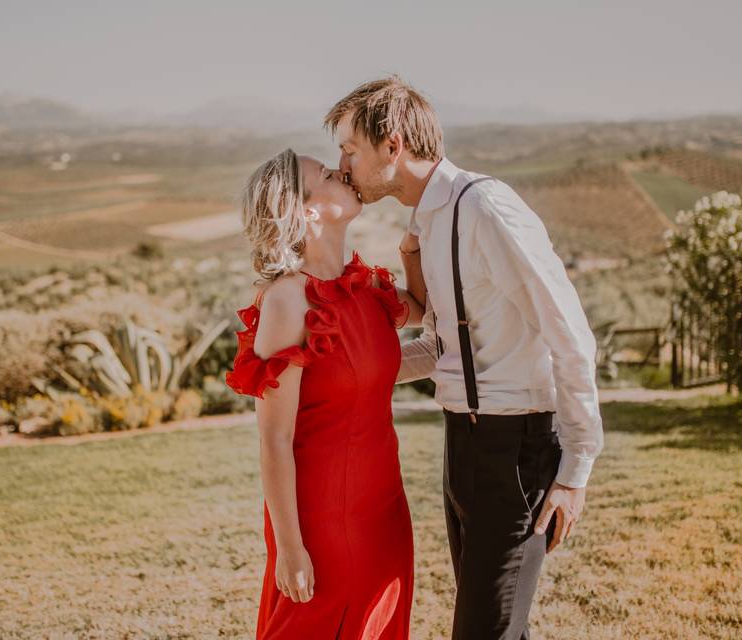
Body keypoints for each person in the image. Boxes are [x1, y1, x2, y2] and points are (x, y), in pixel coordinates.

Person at [325, 76, 605, 640]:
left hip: (515, 452)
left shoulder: (486, 209)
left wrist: (575, 471)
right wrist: (342, 373)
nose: (343, 164)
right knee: (502, 628)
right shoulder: (426, 221)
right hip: (465, 447)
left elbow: (569, 333)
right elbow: (444, 349)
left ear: (393, 145)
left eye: (350, 149)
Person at [224, 148, 425, 639]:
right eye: (328, 175)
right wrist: (290, 549)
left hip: (385, 508)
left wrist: (411, 249)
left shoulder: (363, 287)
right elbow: (275, 441)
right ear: (308, 210)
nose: (344, 174)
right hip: (321, 522)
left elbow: (421, 306)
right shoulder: (287, 300)